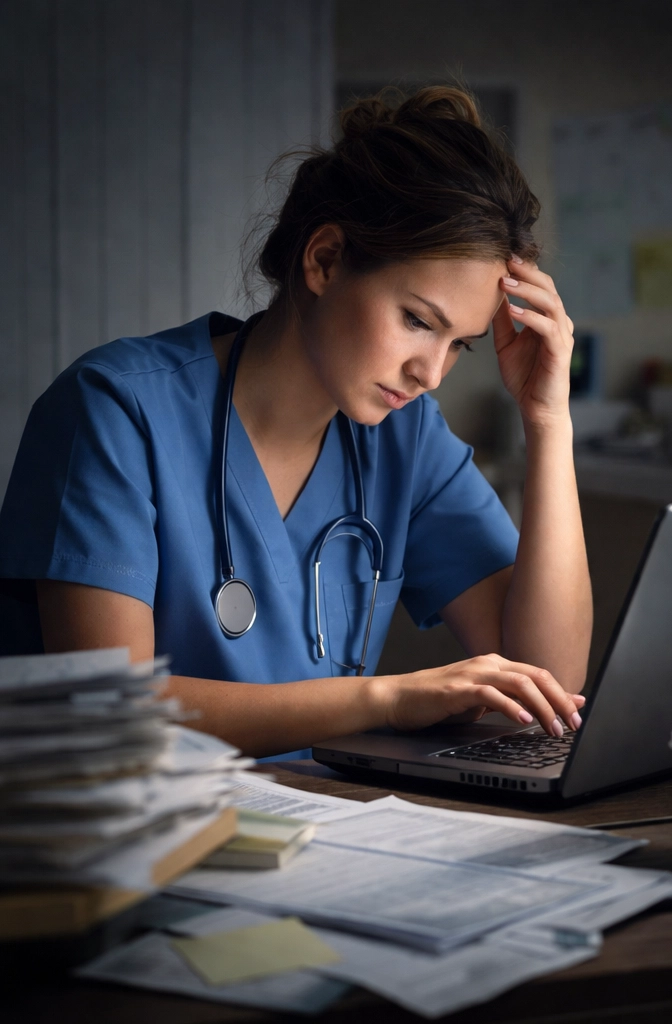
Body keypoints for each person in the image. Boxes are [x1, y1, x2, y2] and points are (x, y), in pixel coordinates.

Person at [0, 86, 590, 760]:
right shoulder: (114, 411)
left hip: (330, 834)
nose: (430, 371)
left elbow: (550, 685)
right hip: (143, 842)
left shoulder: (407, 438)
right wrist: (386, 700)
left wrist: (548, 421)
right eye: (417, 321)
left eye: (459, 344)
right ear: (325, 260)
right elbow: (109, 710)